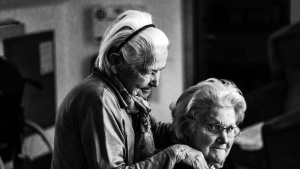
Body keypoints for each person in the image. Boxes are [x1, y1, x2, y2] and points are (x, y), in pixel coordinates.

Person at [51, 10, 209, 169]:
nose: (156, 82)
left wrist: (201, 131)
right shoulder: (99, 100)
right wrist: (175, 154)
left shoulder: (127, 97)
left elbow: (157, 132)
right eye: (149, 72)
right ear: (116, 62)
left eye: (160, 70)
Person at [171, 78, 246, 169]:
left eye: (230, 129)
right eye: (214, 127)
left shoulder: (226, 163)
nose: (225, 139)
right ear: (186, 128)